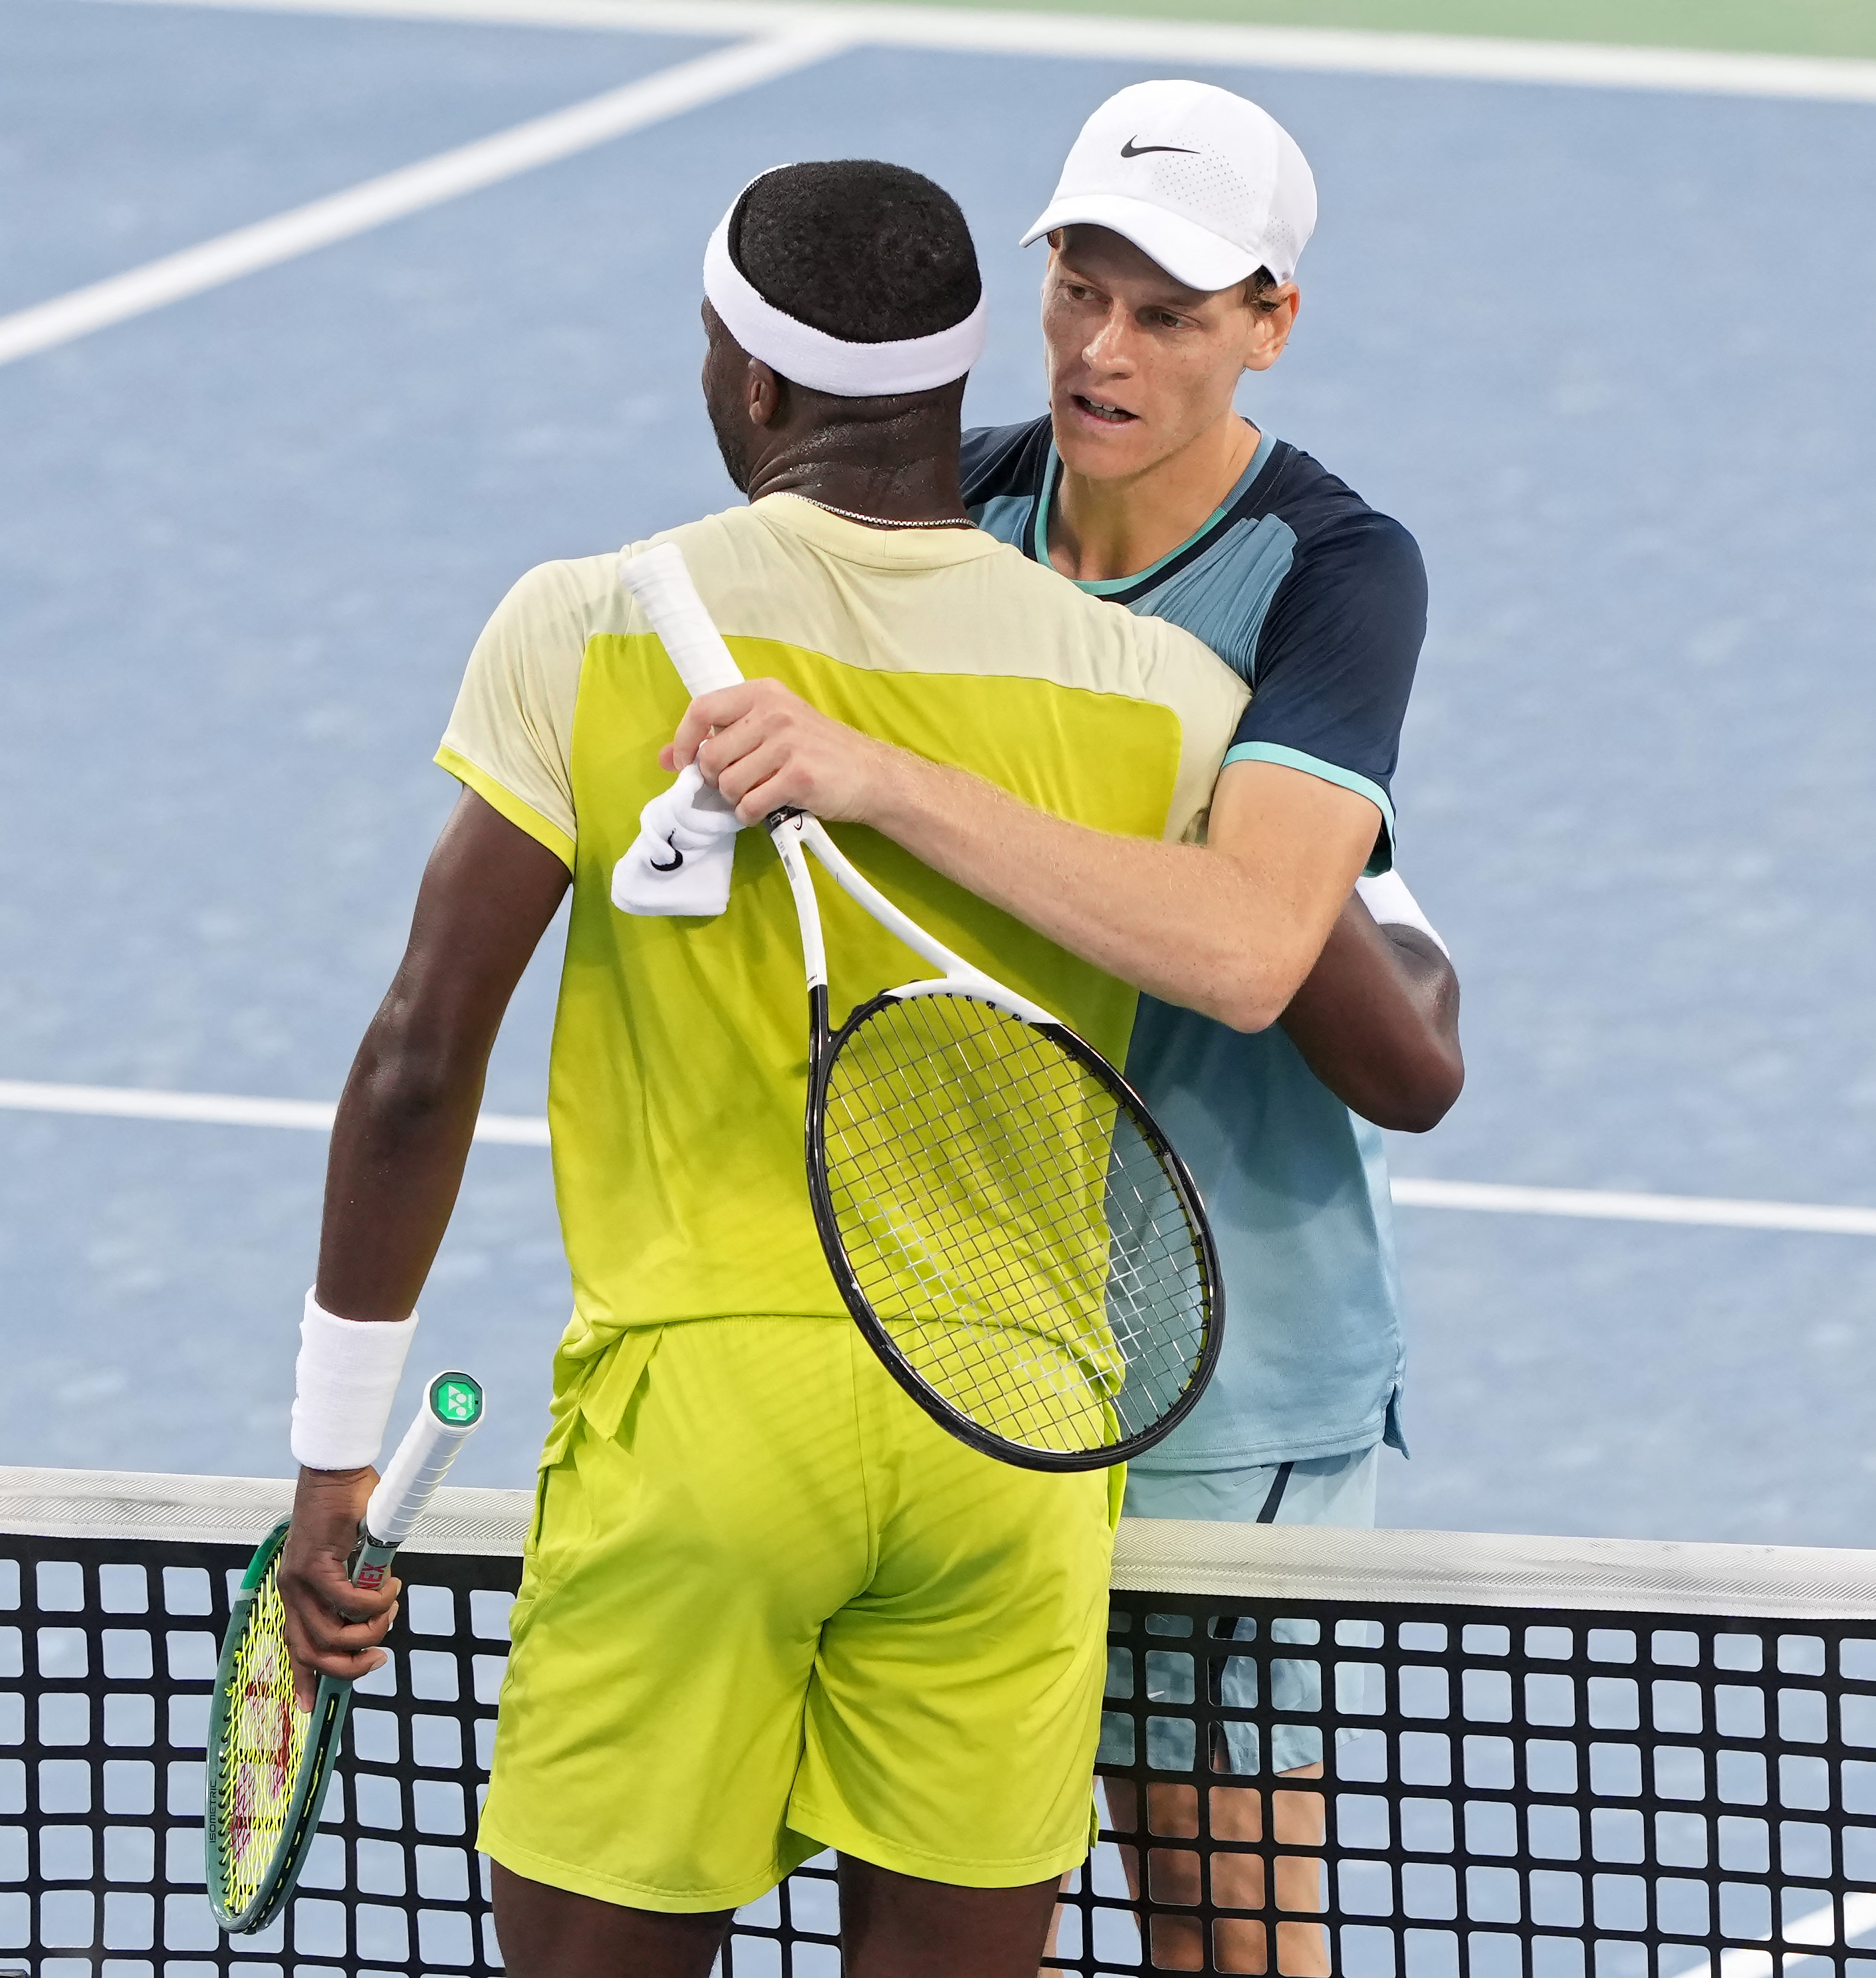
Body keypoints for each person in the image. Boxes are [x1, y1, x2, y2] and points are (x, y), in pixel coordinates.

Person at [271, 161, 1255, 1978]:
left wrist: (336, 1466)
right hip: (1012, 1446)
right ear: (965, 382)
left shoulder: (592, 620)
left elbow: (421, 1061)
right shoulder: (1169, 695)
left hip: (707, 1434)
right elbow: (1371, 1019)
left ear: (747, 377)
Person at [669, 82, 1459, 1975]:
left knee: (1218, 1928)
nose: (1103, 350)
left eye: (1169, 314)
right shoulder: (956, 505)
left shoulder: (1333, 572)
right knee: (930, 1885)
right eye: (1076, 290)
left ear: (1271, 319)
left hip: (1223, 1361)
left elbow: (1259, 959)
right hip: (953, 1332)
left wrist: (891, 775)